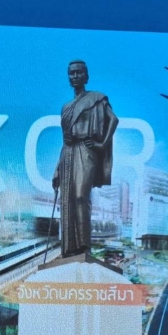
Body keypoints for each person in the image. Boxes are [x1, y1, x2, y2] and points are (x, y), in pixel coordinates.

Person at [52, 60, 118, 257]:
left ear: (86, 76)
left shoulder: (96, 98)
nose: (75, 76)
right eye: (71, 73)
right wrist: (57, 169)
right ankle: (70, 248)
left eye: (79, 72)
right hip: (68, 154)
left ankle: (84, 246)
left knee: (81, 196)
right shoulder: (66, 107)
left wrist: (102, 144)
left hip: (86, 150)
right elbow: (65, 142)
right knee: (68, 201)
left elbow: (113, 120)